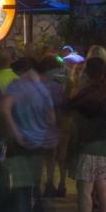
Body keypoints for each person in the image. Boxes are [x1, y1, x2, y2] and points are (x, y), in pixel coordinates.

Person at [0, 57, 57, 212]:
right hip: (38, 146)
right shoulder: (42, 89)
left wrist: (16, 132)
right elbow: (51, 118)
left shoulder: (17, 86)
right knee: (34, 188)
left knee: (22, 190)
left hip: (19, 146)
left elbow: (4, 108)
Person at [67, 58, 106, 212]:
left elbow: (67, 107)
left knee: (85, 191)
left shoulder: (85, 94)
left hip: (87, 145)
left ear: (88, 72)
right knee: (104, 191)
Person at [37, 55, 69, 198]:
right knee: (61, 155)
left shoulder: (39, 84)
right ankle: (62, 183)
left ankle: (48, 183)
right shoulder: (60, 85)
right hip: (61, 120)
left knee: (48, 156)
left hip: (44, 122)